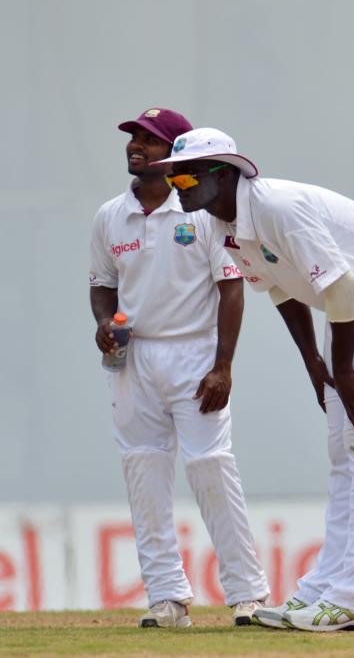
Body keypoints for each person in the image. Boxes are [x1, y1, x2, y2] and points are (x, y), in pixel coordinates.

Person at [153, 127, 354, 631]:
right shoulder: (225, 225)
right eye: (172, 175)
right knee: (342, 447)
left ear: (222, 174)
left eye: (185, 174)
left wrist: (346, 369)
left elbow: (343, 282)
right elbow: (282, 292)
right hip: (345, 308)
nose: (176, 184)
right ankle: (325, 587)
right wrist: (315, 362)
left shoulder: (275, 207)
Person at [89, 109, 269, 628]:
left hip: (196, 353)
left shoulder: (200, 211)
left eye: (150, 141)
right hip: (133, 358)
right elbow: (102, 284)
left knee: (211, 465)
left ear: (173, 153)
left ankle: (248, 595)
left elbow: (231, 289)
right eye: (133, 139)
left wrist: (223, 366)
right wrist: (104, 322)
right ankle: (167, 598)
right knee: (143, 471)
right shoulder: (110, 216)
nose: (136, 147)